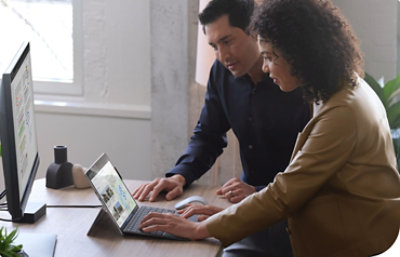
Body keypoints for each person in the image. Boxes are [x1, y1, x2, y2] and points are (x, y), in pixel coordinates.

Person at [139, 0, 400, 256]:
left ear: (299, 52)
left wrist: (201, 229)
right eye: (213, 46)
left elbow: (285, 193)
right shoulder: (337, 87)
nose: (266, 67)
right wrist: (196, 191)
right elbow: (208, 135)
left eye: (271, 57)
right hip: (296, 213)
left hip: (338, 232)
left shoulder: (338, 110)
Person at [133, 0, 310, 256]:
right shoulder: (220, 72)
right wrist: (179, 176)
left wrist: (258, 192)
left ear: (254, 31)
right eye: (214, 46)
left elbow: (311, 174)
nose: (222, 56)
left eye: (228, 41)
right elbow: (208, 135)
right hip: (245, 208)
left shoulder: (295, 81)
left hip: (292, 217)